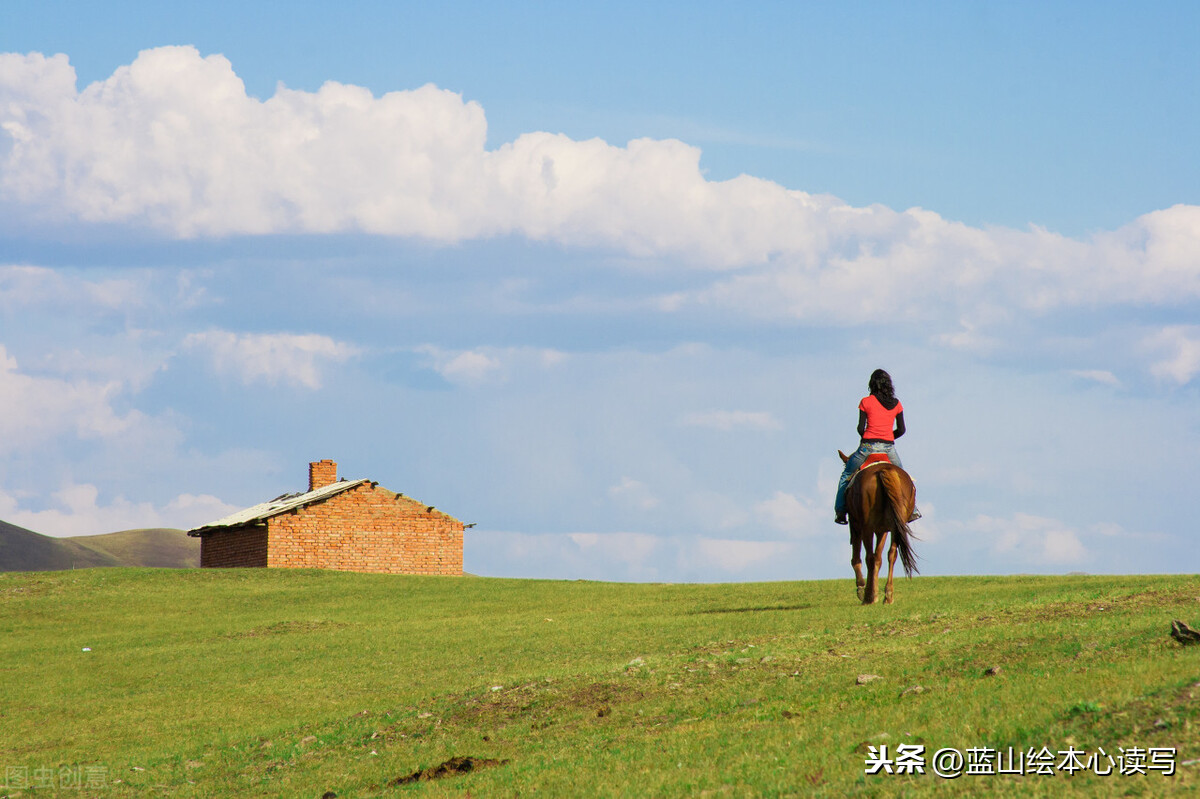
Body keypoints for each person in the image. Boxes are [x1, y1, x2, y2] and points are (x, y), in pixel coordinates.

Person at [834, 368, 912, 525]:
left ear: (872, 384)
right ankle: (913, 510)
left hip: (867, 447)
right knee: (906, 478)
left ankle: (841, 511)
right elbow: (902, 430)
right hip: (889, 449)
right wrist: (888, 437)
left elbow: (860, 429)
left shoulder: (866, 401)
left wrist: (869, 437)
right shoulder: (897, 404)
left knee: (846, 475)